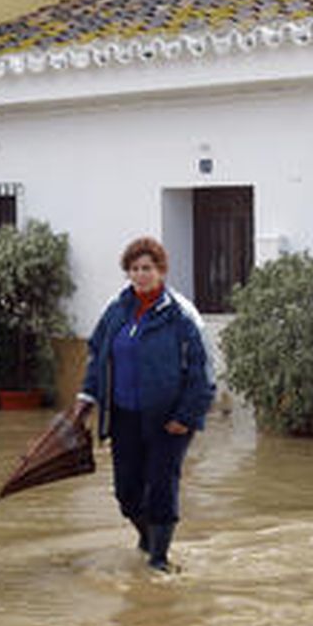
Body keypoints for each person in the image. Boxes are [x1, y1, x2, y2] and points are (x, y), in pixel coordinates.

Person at [73, 236, 215, 572]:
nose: (141, 275)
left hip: (169, 420)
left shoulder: (181, 315)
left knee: (161, 485)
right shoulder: (117, 310)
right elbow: (98, 357)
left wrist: (187, 415)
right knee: (127, 492)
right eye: (134, 269)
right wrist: (86, 398)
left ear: (161, 270)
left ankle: (159, 559)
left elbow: (203, 370)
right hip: (124, 415)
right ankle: (147, 537)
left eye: (147, 268)